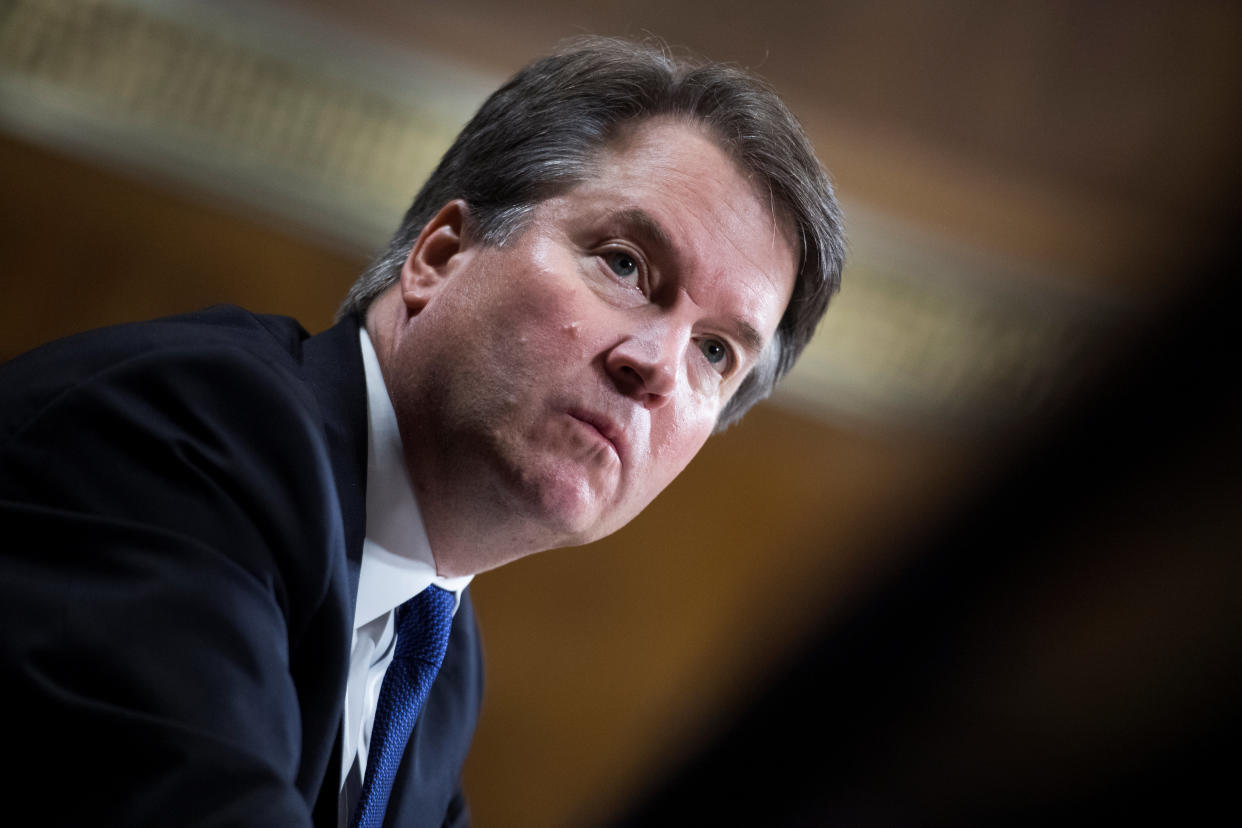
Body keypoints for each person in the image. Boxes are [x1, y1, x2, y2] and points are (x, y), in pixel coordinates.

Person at [0, 35, 844, 827]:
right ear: (440, 254)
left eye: (715, 352)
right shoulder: (192, 431)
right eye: (624, 265)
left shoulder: (435, 663)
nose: (658, 367)